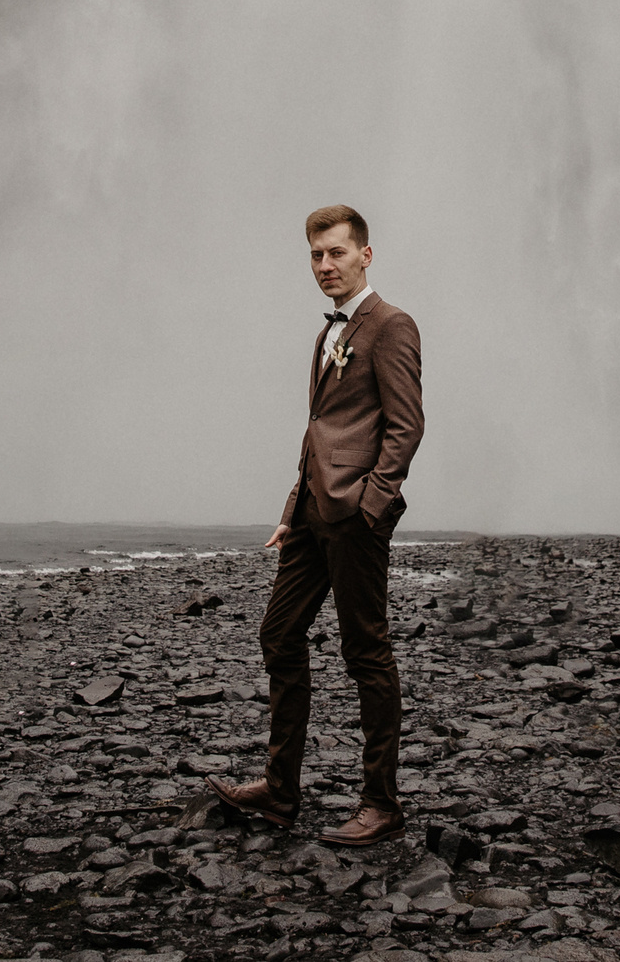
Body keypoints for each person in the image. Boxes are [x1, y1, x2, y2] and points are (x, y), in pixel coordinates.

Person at [209, 204, 424, 847]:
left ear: (365, 253)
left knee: (366, 653)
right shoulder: (328, 333)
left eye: (335, 252)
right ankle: (280, 790)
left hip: (355, 517)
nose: (324, 265)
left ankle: (381, 805)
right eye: (315, 255)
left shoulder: (391, 326)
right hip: (311, 516)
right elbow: (321, 431)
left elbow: (405, 425)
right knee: (278, 634)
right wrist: (290, 510)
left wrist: (371, 506)